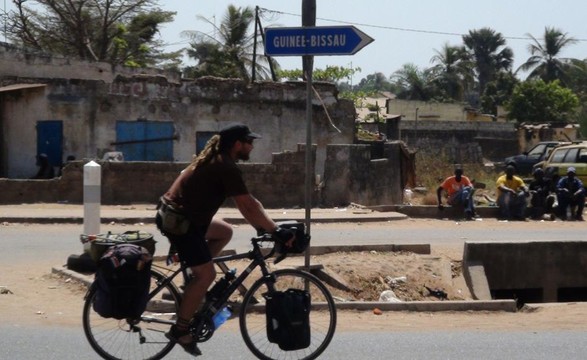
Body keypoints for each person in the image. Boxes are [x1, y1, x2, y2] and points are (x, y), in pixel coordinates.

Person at [155, 123, 295, 356]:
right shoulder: (225, 166)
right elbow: (247, 205)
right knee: (207, 275)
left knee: (225, 231)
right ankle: (180, 330)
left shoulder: (219, 160)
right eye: (249, 142)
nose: (251, 147)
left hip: (182, 218)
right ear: (237, 144)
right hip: (180, 222)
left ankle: (194, 277)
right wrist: (275, 231)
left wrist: (267, 227)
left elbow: (251, 204)